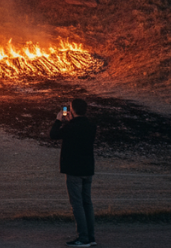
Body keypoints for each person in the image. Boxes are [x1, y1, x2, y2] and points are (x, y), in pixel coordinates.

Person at [50, 99, 97, 247]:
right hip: (87, 168)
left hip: (74, 170)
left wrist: (58, 121)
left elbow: (54, 135)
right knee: (87, 203)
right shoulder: (91, 125)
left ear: (73, 110)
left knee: (77, 204)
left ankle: (83, 238)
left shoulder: (71, 127)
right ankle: (91, 236)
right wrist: (71, 121)